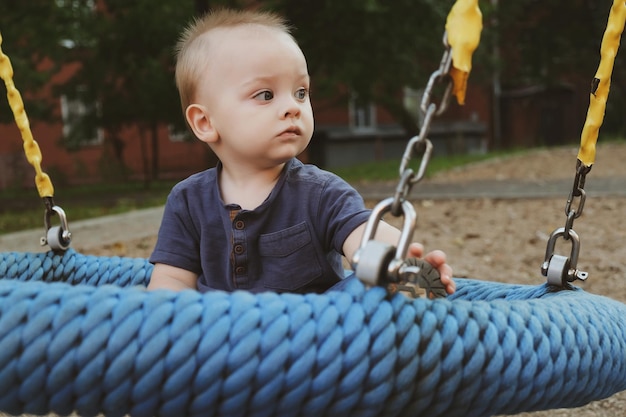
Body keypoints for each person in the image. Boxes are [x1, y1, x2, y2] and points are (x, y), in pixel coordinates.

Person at [148, 8, 455, 295]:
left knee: (362, 288)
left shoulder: (321, 193)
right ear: (205, 122)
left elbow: (362, 235)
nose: (292, 108)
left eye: (301, 92)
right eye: (266, 95)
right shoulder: (187, 202)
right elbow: (173, 278)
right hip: (223, 338)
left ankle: (403, 283)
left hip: (318, 334)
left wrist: (400, 261)